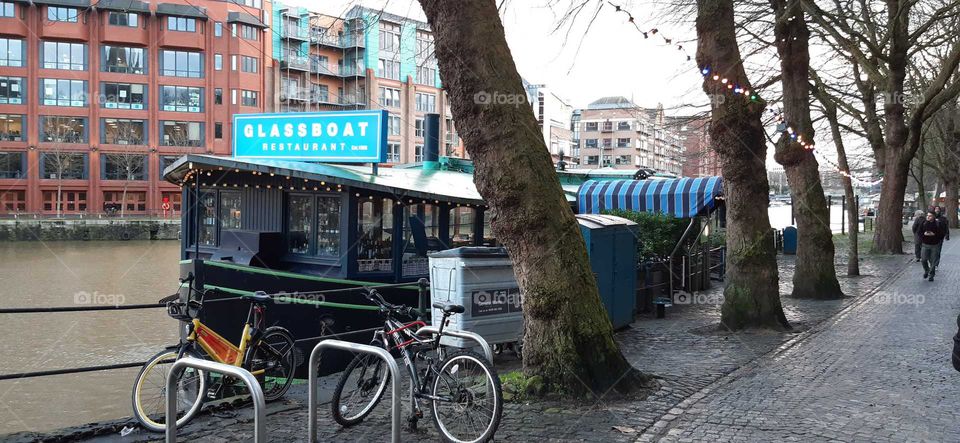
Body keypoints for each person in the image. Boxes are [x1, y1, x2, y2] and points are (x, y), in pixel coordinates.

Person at [919, 211, 946, 281]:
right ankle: (926, 270)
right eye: (927, 215)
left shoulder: (938, 224)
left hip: (935, 245)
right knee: (923, 259)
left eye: (930, 216)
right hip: (925, 244)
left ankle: (931, 275)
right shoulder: (923, 223)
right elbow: (919, 232)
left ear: (933, 216)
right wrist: (924, 235)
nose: (928, 217)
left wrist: (934, 235)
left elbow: (942, 234)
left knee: (933, 261)